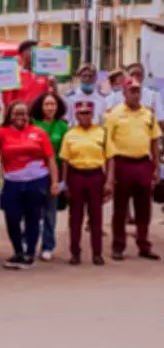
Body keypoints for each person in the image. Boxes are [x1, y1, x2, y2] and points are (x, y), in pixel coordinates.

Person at [0, 99, 59, 270]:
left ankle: (29, 254)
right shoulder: (3, 132)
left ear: (29, 116)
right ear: (9, 116)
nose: (20, 117)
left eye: (24, 113)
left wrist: (54, 183)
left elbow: (50, 159)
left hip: (37, 182)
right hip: (12, 183)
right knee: (12, 218)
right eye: (16, 113)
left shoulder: (39, 132)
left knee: (33, 218)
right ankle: (18, 252)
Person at [105, 78, 161, 261]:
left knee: (144, 207)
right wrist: (110, 172)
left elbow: (154, 141)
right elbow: (108, 143)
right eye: (132, 91)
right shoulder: (114, 114)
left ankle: (144, 244)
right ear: (124, 93)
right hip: (122, 163)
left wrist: (156, 167)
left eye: (138, 91)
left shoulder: (148, 114)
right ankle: (118, 246)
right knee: (120, 207)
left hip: (143, 163)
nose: (136, 94)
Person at [59, 101, 108, 265]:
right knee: (75, 218)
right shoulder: (70, 134)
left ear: (92, 114)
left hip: (95, 176)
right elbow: (65, 161)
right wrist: (65, 183)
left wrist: (108, 181)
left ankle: (97, 253)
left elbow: (109, 157)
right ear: (76, 115)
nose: (84, 116)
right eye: (81, 113)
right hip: (76, 176)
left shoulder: (101, 133)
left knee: (96, 217)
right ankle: (75, 253)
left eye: (87, 113)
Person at [30, 92, 68, 261]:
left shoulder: (63, 126)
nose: (50, 108)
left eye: (53, 104)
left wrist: (63, 180)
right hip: (34, 173)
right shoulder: (33, 124)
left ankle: (47, 246)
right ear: (40, 106)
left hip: (54, 174)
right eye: (47, 104)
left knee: (50, 213)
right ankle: (30, 243)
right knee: (32, 212)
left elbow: (66, 155)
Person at [106, 63, 164, 129]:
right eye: (132, 74)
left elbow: (160, 121)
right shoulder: (115, 96)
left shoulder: (153, 95)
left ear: (143, 77)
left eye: (139, 75)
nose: (135, 77)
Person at [1, 40, 51, 106]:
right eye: (31, 50)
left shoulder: (45, 75)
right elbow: (7, 103)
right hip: (21, 112)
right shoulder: (13, 74)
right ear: (22, 54)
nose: (35, 53)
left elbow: (52, 98)